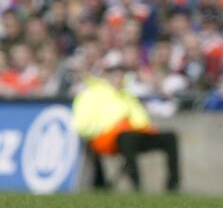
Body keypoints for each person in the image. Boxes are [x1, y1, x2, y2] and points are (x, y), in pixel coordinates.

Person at [72, 63, 180, 192]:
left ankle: (173, 185)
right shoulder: (90, 94)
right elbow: (82, 124)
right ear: (106, 77)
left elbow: (142, 120)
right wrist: (107, 129)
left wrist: (146, 129)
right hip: (104, 138)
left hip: (131, 135)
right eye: (115, 76)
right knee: (127, 137)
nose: (118, 80)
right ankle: (137, 185)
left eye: (121, 76)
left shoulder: (128, 96)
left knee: (170, 137)